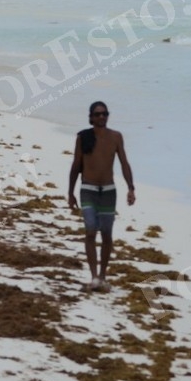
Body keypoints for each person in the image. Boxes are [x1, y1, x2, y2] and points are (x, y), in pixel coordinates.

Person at [67, 101, 135, 293]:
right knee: (90, 231)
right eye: (97, 114)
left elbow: (124, 163)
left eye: (104, 114)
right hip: (87, 189)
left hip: (108, 191)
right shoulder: (83, 137)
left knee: (106, 234)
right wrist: (70, 192)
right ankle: (94, 276)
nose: (101, 117)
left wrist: (131, 188)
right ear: (90, 117)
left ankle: (103, 276)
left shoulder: (116, 137)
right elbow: (76, 165)